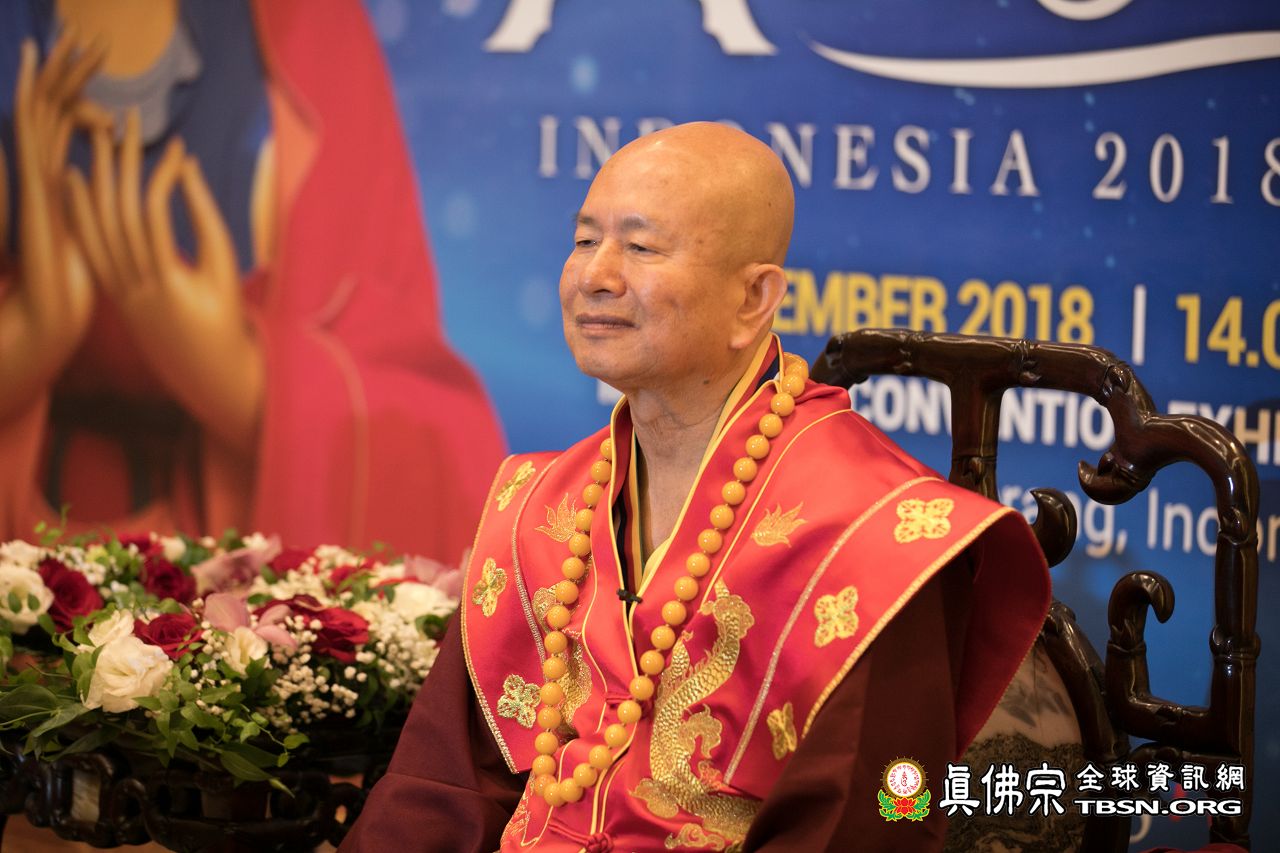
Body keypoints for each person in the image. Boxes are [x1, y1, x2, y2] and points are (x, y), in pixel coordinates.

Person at [341, 122, 1050, 851]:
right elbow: (440, 789)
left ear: (753, 299)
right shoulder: (541, 505)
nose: (594, 275)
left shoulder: (872, 539)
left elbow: (869, 824)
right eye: (584, 240)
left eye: (641, 248)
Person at [0, 1, 504, 561]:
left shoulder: (313, 28)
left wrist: (235, 375)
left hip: (234, 559)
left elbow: (423, 430)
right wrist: (32, 331)